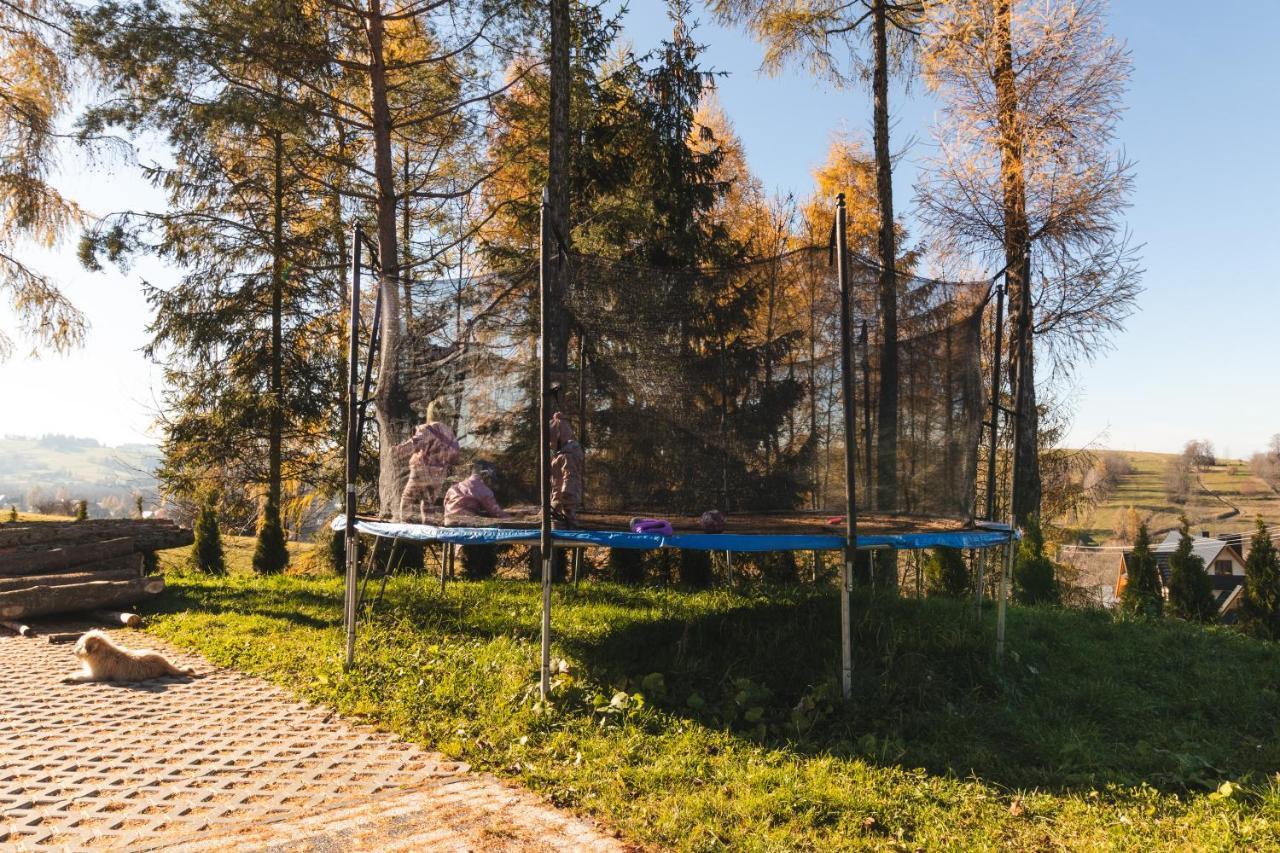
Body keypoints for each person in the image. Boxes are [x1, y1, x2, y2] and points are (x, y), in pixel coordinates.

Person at [393, 401, 460, 523]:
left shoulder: (430, 428)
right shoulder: (450, 433)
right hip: (438, 475)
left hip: (421, 470)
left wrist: (398, 450)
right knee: (428, 502)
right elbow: (455, 453)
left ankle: (404, 526)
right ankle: (429, 528)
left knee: (408, 497)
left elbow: (415, 443)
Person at [548, 411, 585, 528]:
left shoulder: (566, 455)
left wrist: (566, 492)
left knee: (566, 515)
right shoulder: (560, 454)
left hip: (566, 494)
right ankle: (562, 534)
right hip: (559, 493)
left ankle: (568, 536)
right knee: (557, 517)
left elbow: (569, 475)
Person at [443, 461, 509, 522]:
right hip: (466, 525)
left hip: (448, 521)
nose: (490, 482)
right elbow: (496, 512)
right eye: (490, 478)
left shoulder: (454, 487)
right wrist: (512, 519)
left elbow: (445, 504)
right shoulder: (484, 490)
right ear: (486, 475)